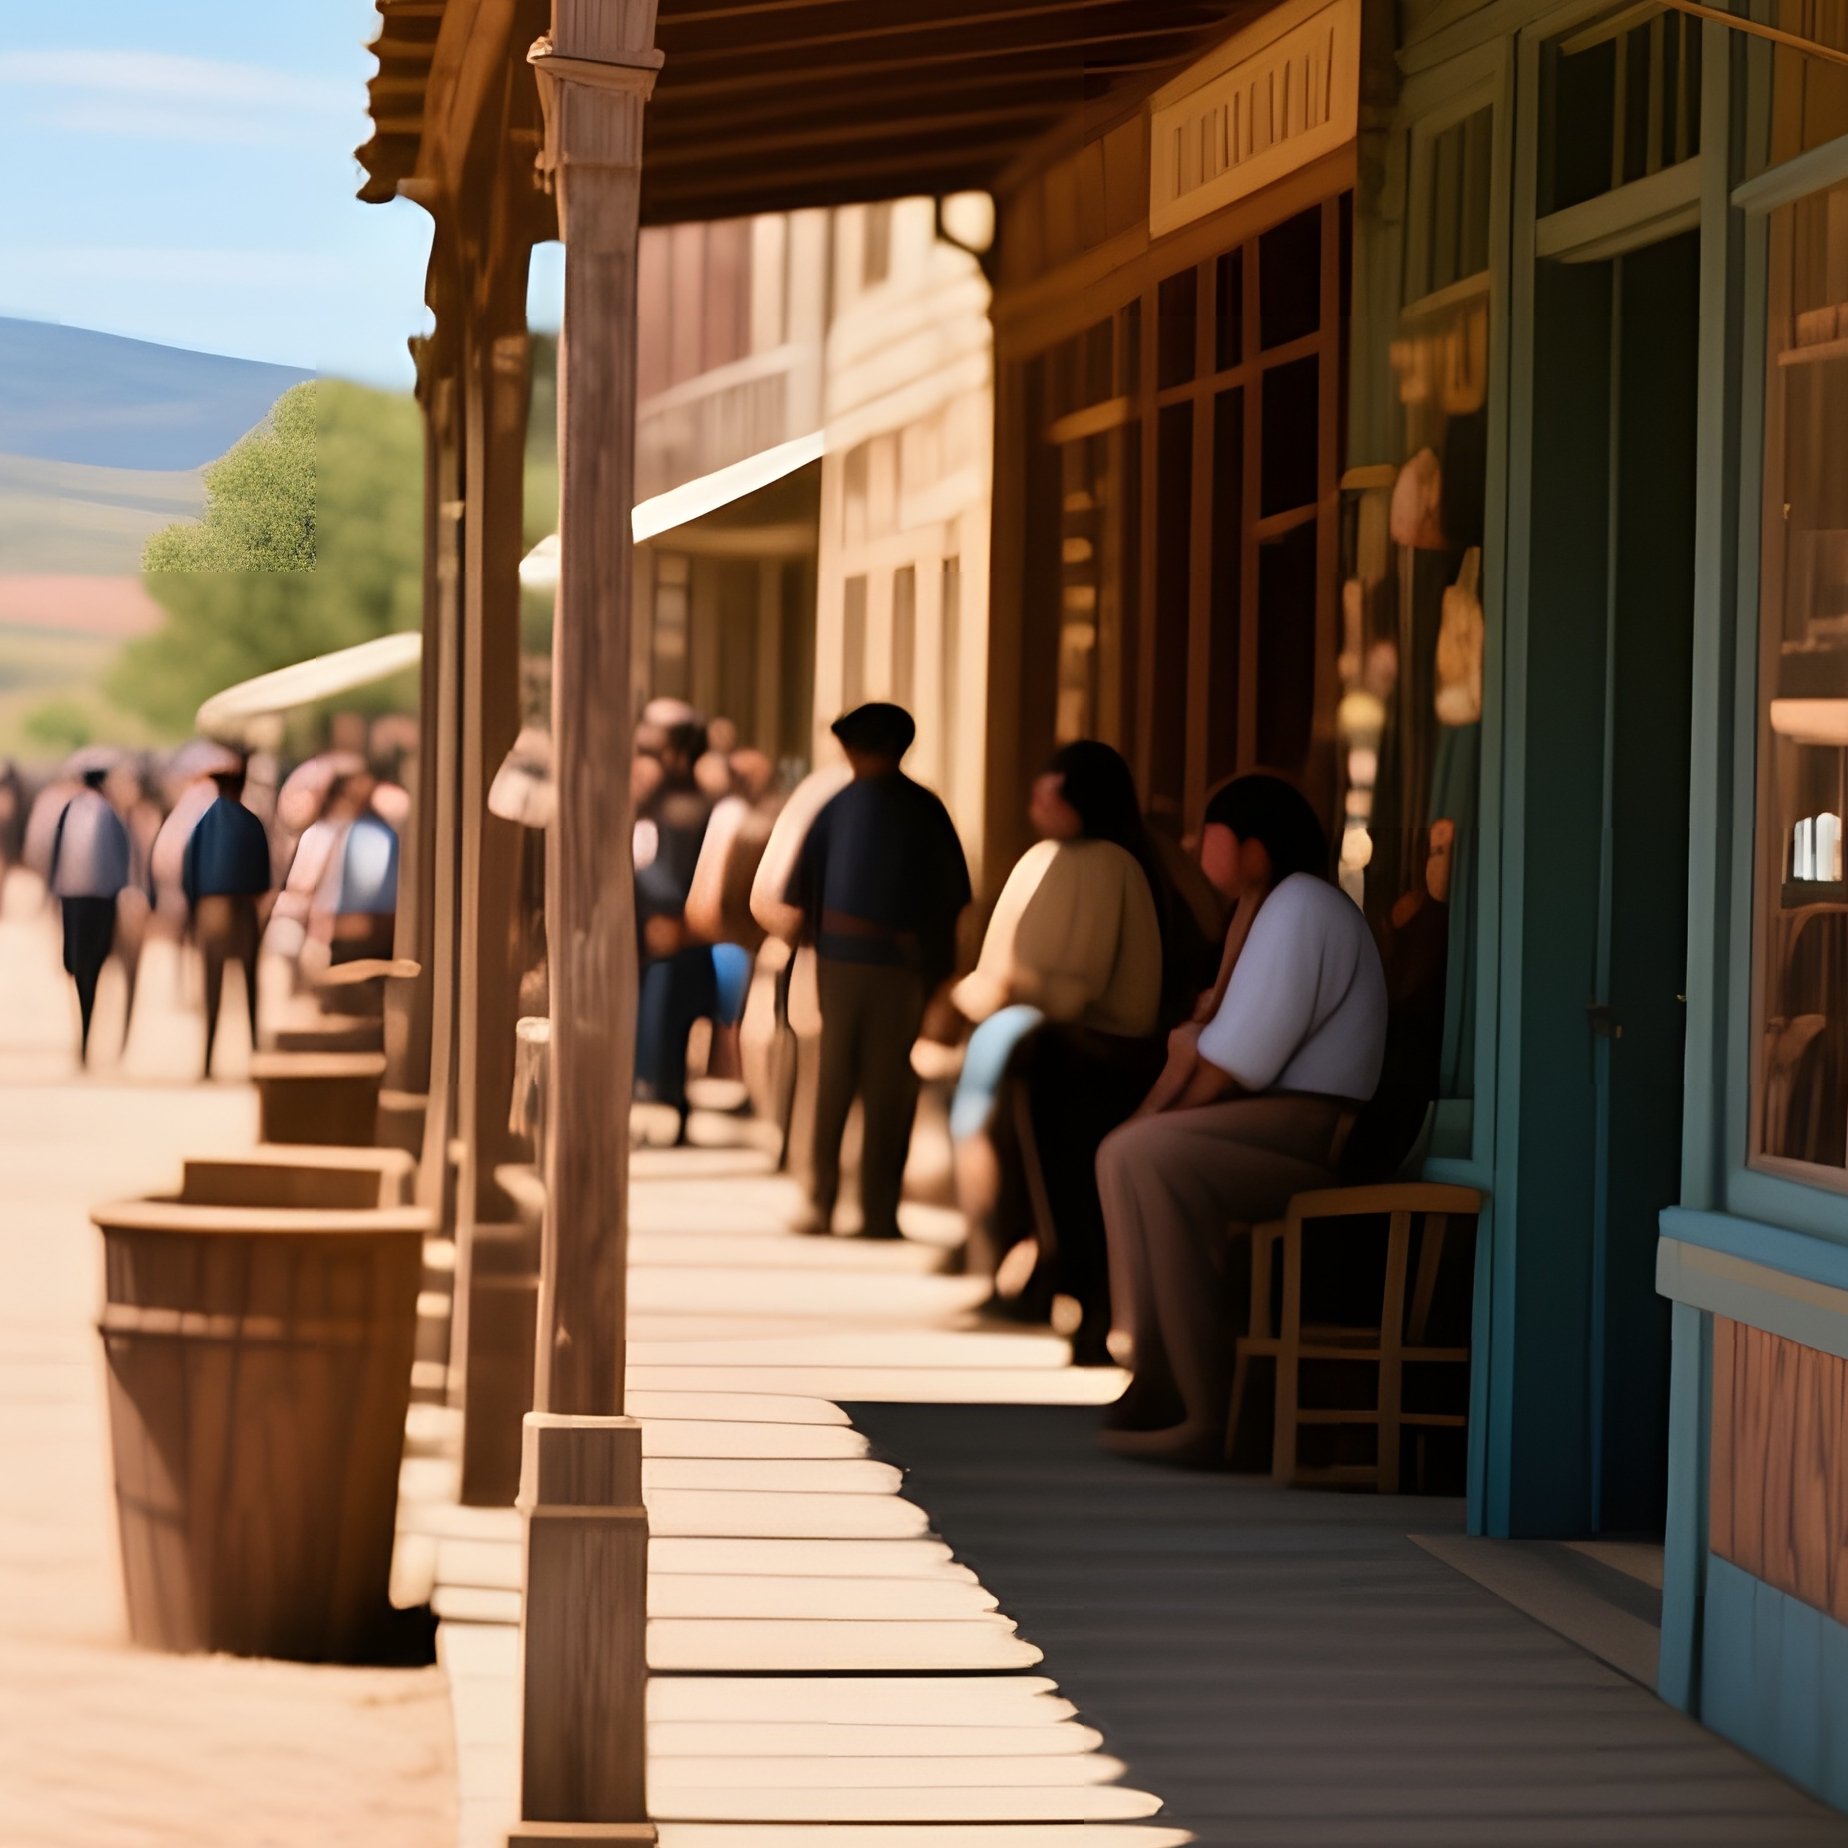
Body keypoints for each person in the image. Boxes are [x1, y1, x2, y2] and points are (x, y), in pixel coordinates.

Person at [1095, 772, 1388, 1464]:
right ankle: (1156, 1373)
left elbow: (1238, 1060)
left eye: (1212, 833)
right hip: (1273, 1119)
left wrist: (1162, 1113)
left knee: (1147, 1155)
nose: (1197, 845)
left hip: (1309, 1128)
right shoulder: (1270, 906)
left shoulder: (1301, 905)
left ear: (1253, 848)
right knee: (1129, 1153)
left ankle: (1210, 1410)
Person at [947, 742, 1175, 1310]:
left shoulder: (1102, 863)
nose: (1039, 801)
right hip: (1055, 1038)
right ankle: (1009, 1252)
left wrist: (1001, 995)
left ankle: (1054, 1265)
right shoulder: (1059, 858)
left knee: (1024, 1079)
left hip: (1095, 1051)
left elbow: (1074, 984)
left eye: (1053, 790)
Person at [785, 702, 970, 1240]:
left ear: (852, 748)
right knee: (890, 1086)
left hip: (840, 961)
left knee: (835, 1080)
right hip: (901, 966)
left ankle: (821, 1200)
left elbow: (801, 895)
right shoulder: (925, 809)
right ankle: (878, 1210)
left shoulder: (835, 807)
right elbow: (952, 899)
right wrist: (942, 969)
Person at [634, 718, 717, 1137]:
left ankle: (663, 1100)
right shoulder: (701, 803)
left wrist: (666, 912)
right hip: (684, 928)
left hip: (670, 929)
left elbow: (654, 867)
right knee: (670, 1020)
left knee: (665, 1018)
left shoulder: (672, 806)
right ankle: (670, 1103)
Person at [181, 763, 274, 1078]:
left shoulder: (202, 822)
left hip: (210, 908)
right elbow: (264, 875)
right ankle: (255, 1050)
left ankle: (207, 1060)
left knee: (212, 985)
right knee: (249, 983)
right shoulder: (251, 821)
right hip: (244, 907)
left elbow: (188, 871)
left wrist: (194, 910)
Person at [47, 766, 131, 1067]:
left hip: (73, 901)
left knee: (78, 967)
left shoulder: (70, 810)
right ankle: (86, 1033)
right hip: (100, 902)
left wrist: (52, 897)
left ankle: (84, 1035)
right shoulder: (111, 813)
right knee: (92, 966)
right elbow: (123, 861)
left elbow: (54, 858)